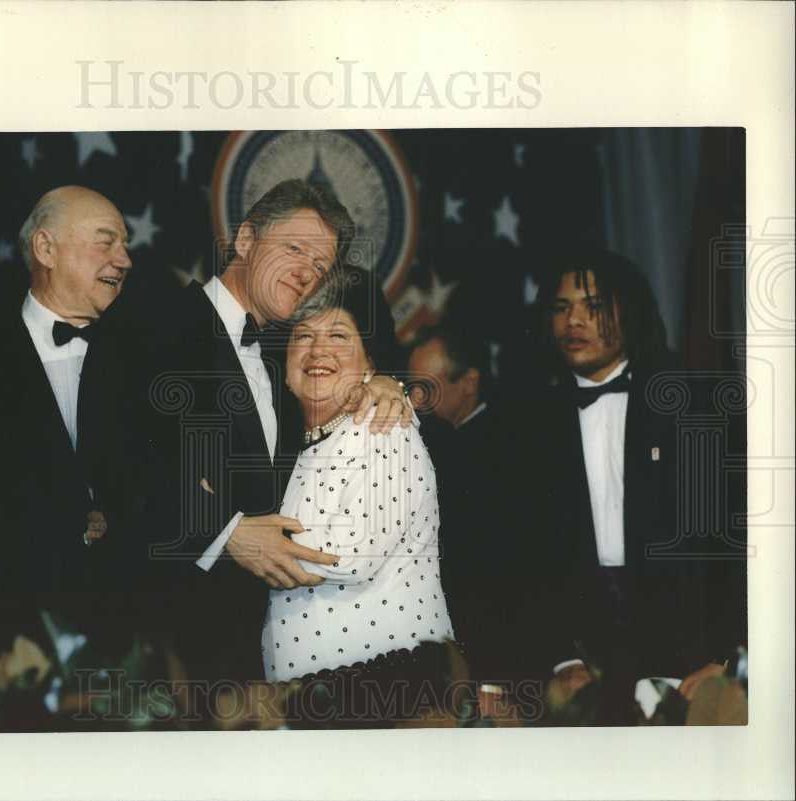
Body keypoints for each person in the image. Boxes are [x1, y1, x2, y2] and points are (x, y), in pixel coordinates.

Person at [81, 179, 414, 685]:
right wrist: (226, 531)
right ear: (245, 241)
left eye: (321, 265)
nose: (306, 271)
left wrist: (386, 380)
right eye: (294, 249)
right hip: (158, 654)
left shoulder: (288, 361)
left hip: (253, 657)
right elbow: (116, 457)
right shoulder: (151, 320)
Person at [525, 246, 743, 722]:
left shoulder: (688, 404)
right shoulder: (531, 423)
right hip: (586, 651)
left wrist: (726, 655)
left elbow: (735, 538)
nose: (574, 321)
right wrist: (563, 659)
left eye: (594, 306)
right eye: (562, 308)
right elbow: (529, 558)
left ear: (631, 312)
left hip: (690, 645)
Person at [0, 186, 133, 689]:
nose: (124, 260)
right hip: (3, 642)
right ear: (45, 249)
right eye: (106, 243)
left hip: (129, 640)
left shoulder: (146, 355)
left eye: (125, 246)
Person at [260, 269, 456, 723]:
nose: (318, 351)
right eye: (302, 336)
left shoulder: (383, 427)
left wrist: (239, 541)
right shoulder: (296, 447)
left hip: (390, 691)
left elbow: (348, 556)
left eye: (339, 335)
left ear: (371, 363)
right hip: (321, 700)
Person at [407, 326, 524, 713]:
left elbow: (501, 580)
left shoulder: (506, 451)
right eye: (411, 387)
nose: (415, 399)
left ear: (469, 382)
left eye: (427, 387)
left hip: (494, 657)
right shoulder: (436, 439)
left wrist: (493, 674)